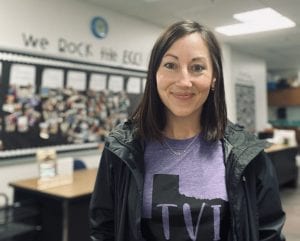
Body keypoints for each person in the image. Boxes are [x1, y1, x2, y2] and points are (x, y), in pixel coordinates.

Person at [89, 20, 285, 241]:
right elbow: (104, 229)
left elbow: (269, 232)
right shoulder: (120, 147)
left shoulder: (246, 151)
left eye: (197, 67)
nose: (184, 81)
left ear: (213, 78)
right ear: (155, 74)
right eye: (171, 65)